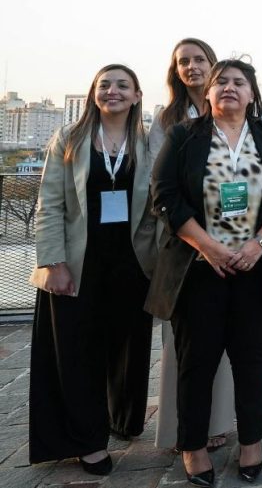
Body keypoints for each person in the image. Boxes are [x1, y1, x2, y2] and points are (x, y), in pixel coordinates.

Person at [147, 59, 262, 486]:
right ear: (209, 94)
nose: (230, 88)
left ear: (252, 94)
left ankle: (251, 442)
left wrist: (259, 244)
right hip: (199, 270)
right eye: (222, 83)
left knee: (251, 361)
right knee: (197, 363)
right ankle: (192, 446)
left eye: (239, 83)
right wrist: (210, 248)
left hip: (256, 268)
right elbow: (165, 197)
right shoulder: (184, 136)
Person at [29, 64, 156, 476]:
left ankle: (124, 419)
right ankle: (88, 440)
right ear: (93, 94)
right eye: (105, 85)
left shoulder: (146, 142)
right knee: (78, 353)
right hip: (79, 264)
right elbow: (49, 205)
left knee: (127, 349)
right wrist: (53, 262)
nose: (113, 91)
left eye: (123, 85)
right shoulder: (70, 139)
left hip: (133, 264)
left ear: (137, 95)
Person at [149, 38, 235, 453]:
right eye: (183, 61)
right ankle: (181, 430)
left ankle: (219, 422)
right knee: (181, 345)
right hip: (183, 245)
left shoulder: (232, 111)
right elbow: (158, 186)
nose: (192, 67)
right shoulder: (166, 120)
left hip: (231, 240)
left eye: (199, 59)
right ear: (175, 70)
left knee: (223, 339)